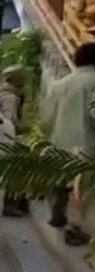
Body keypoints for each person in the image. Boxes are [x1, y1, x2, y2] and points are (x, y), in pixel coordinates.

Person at [42, 43, 95, 237]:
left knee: (60, 184)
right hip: (88, 146)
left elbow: (47, 118)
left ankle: (57, 217)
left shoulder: (58, 86)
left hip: (60, 143)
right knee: (85, 189)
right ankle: (81, 228)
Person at [0, 65, 29, 217]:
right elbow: (10, 120)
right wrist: (22, 130)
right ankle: (9, 204)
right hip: (4, 137)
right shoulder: (10, 97)